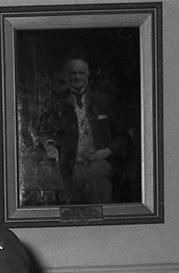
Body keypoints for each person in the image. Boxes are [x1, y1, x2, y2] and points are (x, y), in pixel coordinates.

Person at [37, 57, 127, 204]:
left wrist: (108, 150)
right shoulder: (55, 102)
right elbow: (43, 130)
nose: (77, 77)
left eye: (81, 73)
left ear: (87, 75)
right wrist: (50, 145)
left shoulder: (103, 101)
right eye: (73, 73)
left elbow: (123, 136)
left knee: (99, 189)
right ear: (67, 76)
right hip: (69, 164)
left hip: (99, 163)